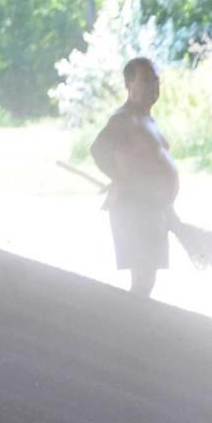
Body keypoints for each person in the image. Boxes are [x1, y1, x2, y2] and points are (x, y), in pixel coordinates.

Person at [90, 57, 179, 298]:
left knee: (147, 279)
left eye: (156, 80)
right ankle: (132, 327)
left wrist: (169, 211)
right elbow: (98, 149)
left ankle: (136, 325)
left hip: (153, 208)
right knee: (143, 278)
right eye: (146, 80)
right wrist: (121, 179)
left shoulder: (146, 119)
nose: (153, 86)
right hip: (134, 208)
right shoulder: (123, 118)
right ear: (130, 84)